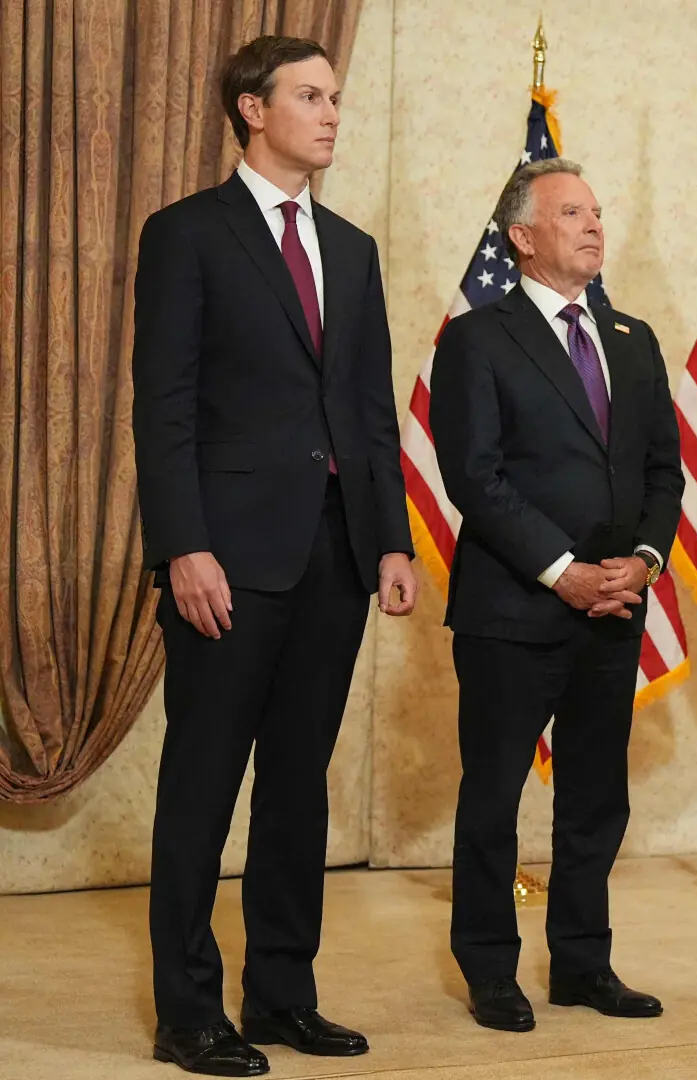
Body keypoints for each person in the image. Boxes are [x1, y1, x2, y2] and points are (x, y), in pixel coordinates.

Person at [133, 35, 418, 1077]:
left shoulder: (352, 248)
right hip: (227, 560)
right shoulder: (187, 236)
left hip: (335, 558)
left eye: (336, 96)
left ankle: (282, 996)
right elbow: (161, 411)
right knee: (201, 788)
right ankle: (187, 1016)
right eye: (311, 95)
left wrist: (388, 537)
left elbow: (369, 412)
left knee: (299, 788)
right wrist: (183, 548)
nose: (333, 112)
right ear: (253, 110)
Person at [430, 157, 682, 1033]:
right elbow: (475, 475)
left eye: (598, 212)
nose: (593, 225)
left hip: (614, 609)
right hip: (514, 610)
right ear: (524, 237)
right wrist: (561, 571)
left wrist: (643, 559)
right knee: (494, 797)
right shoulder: (477, 339)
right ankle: (491, 971)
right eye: (572, 213)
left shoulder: (633, 339)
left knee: (594, 800)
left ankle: (582, 965)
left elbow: (662, 470)